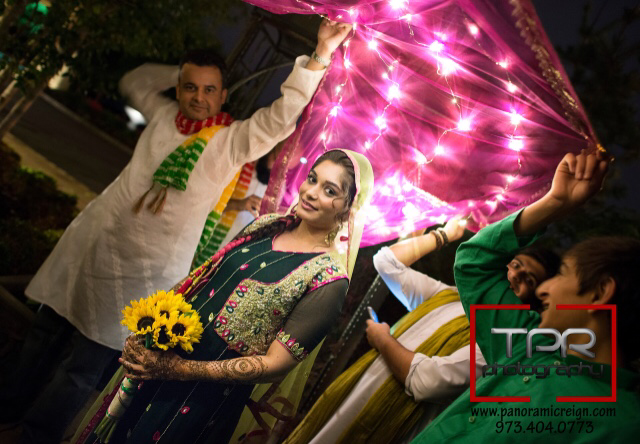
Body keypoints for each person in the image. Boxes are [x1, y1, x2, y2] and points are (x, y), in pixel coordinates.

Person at [1, 20, 352, 444]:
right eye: (190, 87)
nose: (198, 97)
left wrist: (320, 54)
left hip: (141, 276)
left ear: (224, 95)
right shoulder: (163, 114)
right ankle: (6, 414)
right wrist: (180, 72)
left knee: (82, 369)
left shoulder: (231, 142)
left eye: (209, 90)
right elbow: (134, 81)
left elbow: (280, 117)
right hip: (90, 251)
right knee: (41, 338)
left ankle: (32, 437)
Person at [72, 149, 373, 444]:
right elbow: (203, 281)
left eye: (330, 190)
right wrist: (149, 328)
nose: (311, 192)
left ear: (348, 209)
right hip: (157, 365)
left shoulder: (327, 280)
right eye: (312, 179)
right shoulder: (266, 226)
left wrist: (181, 370)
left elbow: (276, 364)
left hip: (202, 401)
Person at [411, 150, 640, 443]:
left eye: (562, 273)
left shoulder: (624, 426)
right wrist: (555, 202)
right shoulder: (529, 345)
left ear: (601, 292)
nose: (543, 289)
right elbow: (473, 263)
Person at [286, 218, 558, 444]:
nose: (515, 276)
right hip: (353, 394)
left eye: (528, 279)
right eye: (516, 265)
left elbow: (427, 382)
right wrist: (444, 234)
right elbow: (387, 263)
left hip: (390, 424)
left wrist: (383, 340)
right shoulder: (452, 297)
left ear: (534, 298)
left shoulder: (497, 344)